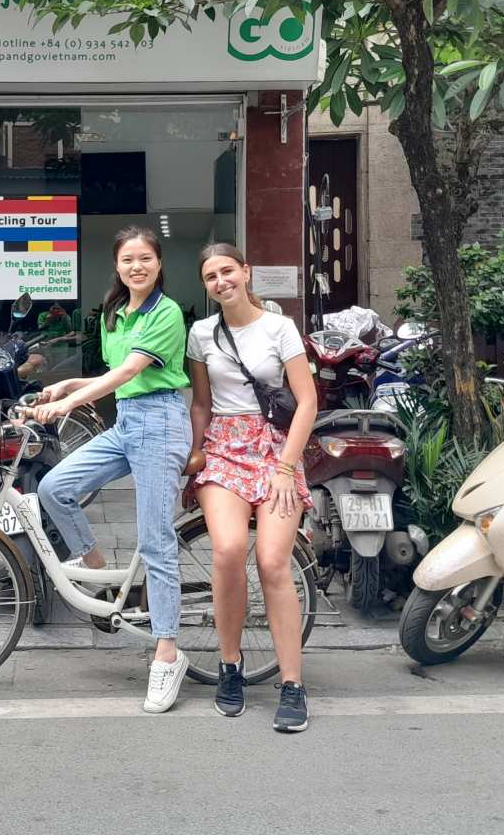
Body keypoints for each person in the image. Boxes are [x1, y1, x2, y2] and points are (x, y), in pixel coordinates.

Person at [33, 226, 193, 713]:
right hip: (127, 423)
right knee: (54, 488)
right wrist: (69, 386)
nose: (136, 267)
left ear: (159, 264)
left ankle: (167, 652)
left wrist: (69, 404)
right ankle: (98, 568)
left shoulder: (165, 312)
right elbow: (114, 374)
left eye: (145, 258)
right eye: (128, 260)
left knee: (155, 541)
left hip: (161, 424)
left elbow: (130, 372)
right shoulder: (114, 313)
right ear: (117, 266)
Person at [185, 242, 319, 733]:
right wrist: (194, 452)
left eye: (227, 271)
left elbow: (307, 401)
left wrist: (285, 468)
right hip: (224, 448)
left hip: (275, 451)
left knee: (273, 562)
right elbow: (202, 402)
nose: (221, 282)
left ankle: (292, 684)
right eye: (211, 277)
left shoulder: (279, 327)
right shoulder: (201, 333)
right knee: (228, 549)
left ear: (245, 271)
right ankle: (230, 665)